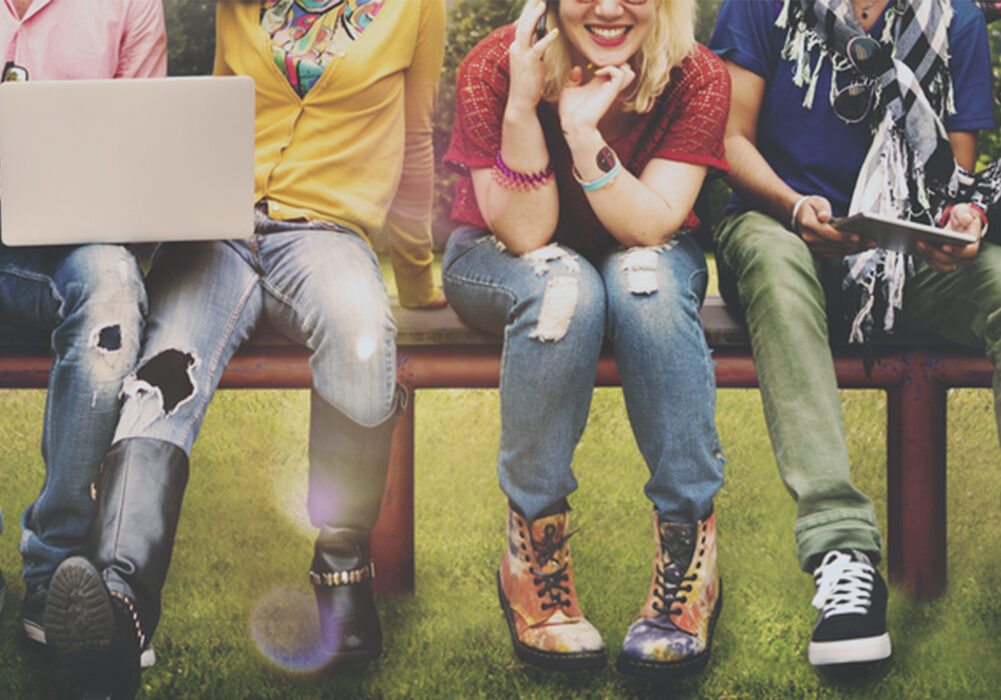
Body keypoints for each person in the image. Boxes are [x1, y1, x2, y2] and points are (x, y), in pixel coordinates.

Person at [43, 0, 446, 695]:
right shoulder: (240, 6)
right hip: (218, 231)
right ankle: (120, 600)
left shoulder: (415, 8)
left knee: (361, 330)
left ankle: (343, 567)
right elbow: (215, 120)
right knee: (164, 373)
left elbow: (412, 138)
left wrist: (414, 275)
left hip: (324, 235)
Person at [443, 0, 729, 680]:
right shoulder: (492, 64)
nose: (606, 7)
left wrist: (579, 133)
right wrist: (522, 106)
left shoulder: (697, 75)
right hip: (498, 252)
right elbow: (524, 234)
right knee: (562, 290)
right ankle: (533, 553)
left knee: (646, 286)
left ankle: (688, 555)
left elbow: (651, 224)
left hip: (639, 240)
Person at [708, 0, 994, 666]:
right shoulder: (758, 7)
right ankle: (841, 549)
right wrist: (793, 205)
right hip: (775, 224)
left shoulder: (956, 20)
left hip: (902, 256)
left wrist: (958, 224)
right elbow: (729, 142)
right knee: (777, 268)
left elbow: (950, 176)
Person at [0, 0, 164, 655]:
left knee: (113, 289)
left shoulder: (130, 5)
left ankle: (53, 573)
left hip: (70, 249)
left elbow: (148, 160)